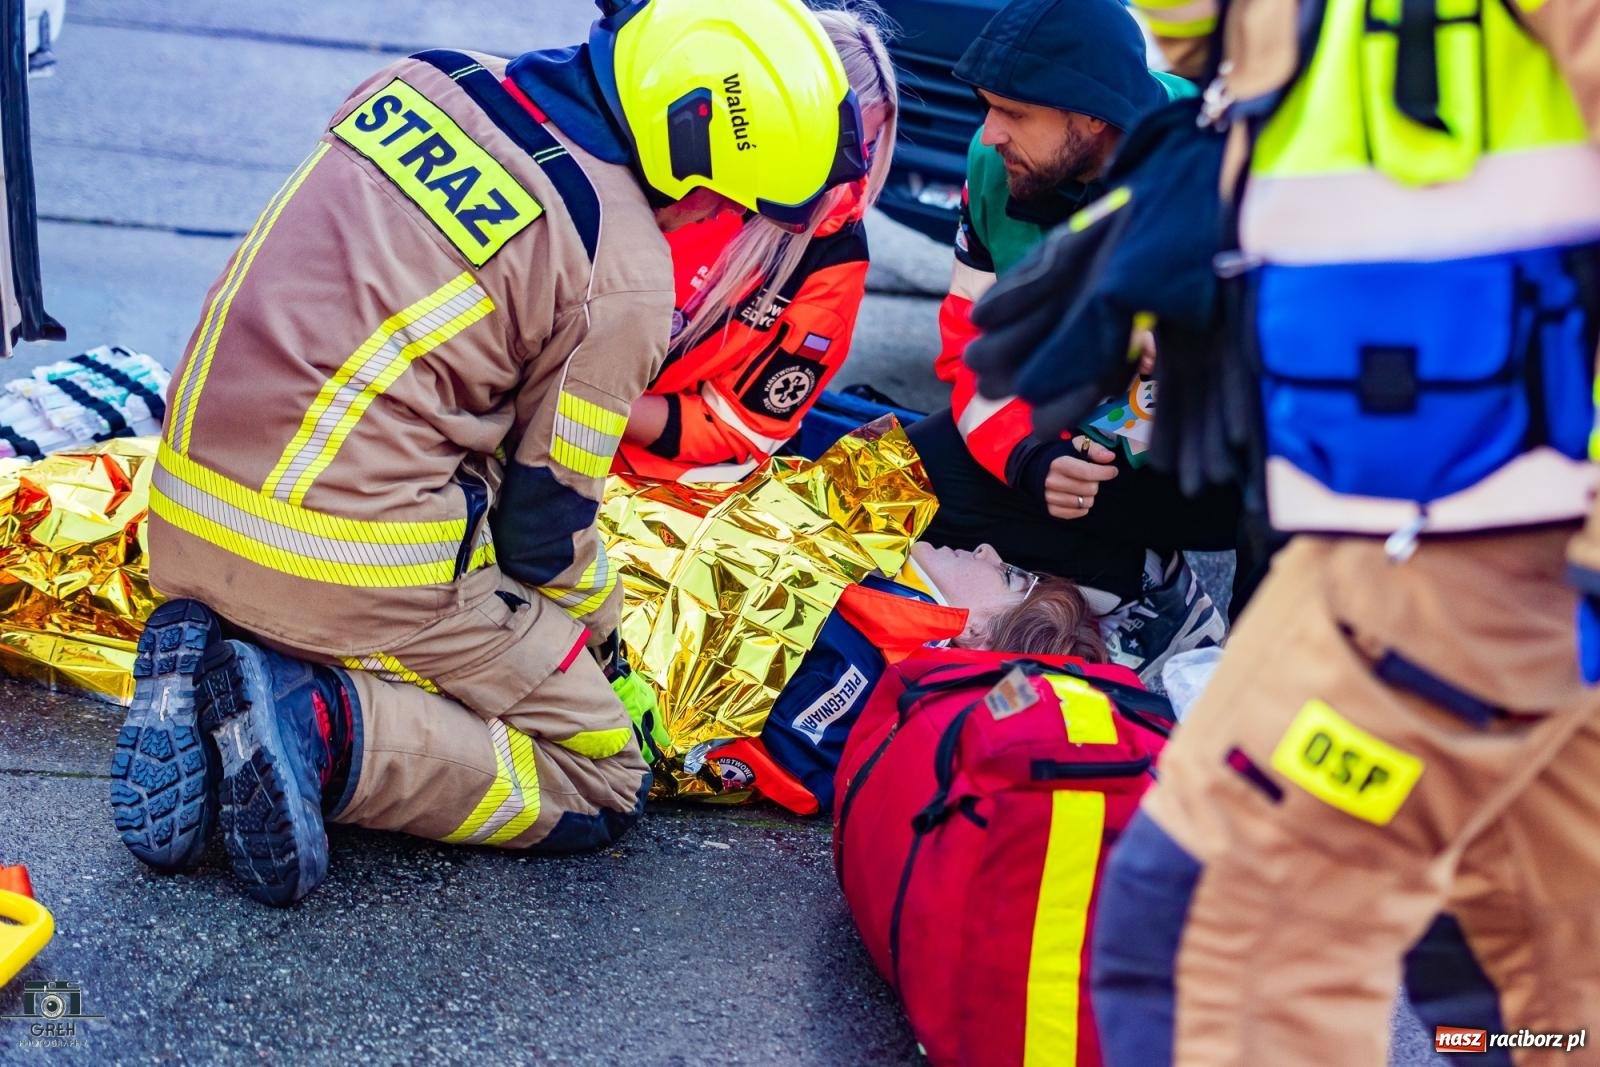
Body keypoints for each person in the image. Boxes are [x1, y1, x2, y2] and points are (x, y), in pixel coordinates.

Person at [106, 0, 868, 907]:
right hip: (343, 560)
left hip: (184, 510)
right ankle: (319, 720)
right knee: (601, 772)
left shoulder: (422, 81)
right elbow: (549, 530)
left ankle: (224, 686)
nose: (720, 217)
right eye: (732, 200)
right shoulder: (618, 264)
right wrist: (605, 645)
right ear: (691, 159)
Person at [961, 0, 1600, 1059]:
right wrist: (1224, 177)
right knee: (1528, 962)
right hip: (1412, 523)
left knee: (1213, 933)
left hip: (1488, 538)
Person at [904, 0, 1239, 680]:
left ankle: (1252, 677)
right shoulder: (994, 165)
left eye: (1015, 113)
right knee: (897, 474)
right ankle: (1143, 594)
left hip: (1208, 466)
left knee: (1288, 510)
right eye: (988, 106)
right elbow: (968, 349)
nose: (990, 132)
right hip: (1079, 460)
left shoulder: (1228, 160)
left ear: (1091, 117)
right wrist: (1030, 458)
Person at [614, 5, 897, 482]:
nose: (853, 168)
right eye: (842, 143)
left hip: (654, 478)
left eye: (865, 148)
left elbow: (743, 426)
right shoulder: (664, 143)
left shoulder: (833, 252)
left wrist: (587, 400)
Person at [705, 542, 1108, 813]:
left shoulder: (850, 662)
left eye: (1007, 574)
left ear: (975, 635)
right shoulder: (877, 653)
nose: (987, 551)